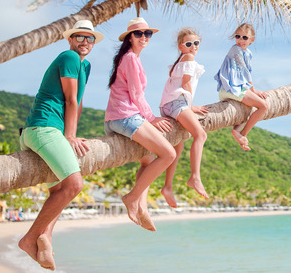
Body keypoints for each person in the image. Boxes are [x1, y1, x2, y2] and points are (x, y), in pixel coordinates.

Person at [17, 20, 104, 271]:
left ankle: (46, 238)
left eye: (90, 38)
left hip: (44, 131)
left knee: (58, 191)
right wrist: (70, 136)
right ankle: (29, 238)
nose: (84, 42)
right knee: (75, 184)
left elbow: (77, 102)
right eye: (80, 37)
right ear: (70, 39)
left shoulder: (84, 65)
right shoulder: (69, 56)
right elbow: (70, 99)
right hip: (43, 128)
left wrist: (72, 132)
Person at [105, 17, 176, 232]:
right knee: (169, 154)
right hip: (126, 116)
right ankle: (132, 197)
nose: (143, 37)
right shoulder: (130, 59)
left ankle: (142, 208)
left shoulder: (128, 58)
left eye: (148, 34)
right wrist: (151, 118)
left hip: (117, 117)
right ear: (129, 37)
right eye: (138, 34)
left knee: (148, 160)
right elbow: (136, 93)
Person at [158, 27, 210, 205]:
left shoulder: (179, 61)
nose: (193, 47)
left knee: (177, 148)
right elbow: (186, 83)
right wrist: (191, 106)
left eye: (196, 43)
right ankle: (195, 177)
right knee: (200, 135)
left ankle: (168, 187)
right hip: (177, 103)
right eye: (189, 44)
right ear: (181, 46)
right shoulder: (188, 58)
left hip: (167, 105)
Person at [214, 23, 268, 151]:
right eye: (238, 36)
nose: (240, 40)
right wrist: (253, 91)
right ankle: (243, 134)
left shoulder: (248, 53)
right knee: (263, 106)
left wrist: (251, 90)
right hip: (232, 89)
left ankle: (237, 131)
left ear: (251, 40)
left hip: (232, 89)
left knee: (248, 108)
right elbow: (245, 72)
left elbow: (245, 72)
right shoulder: (236, 50)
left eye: (245, 37)